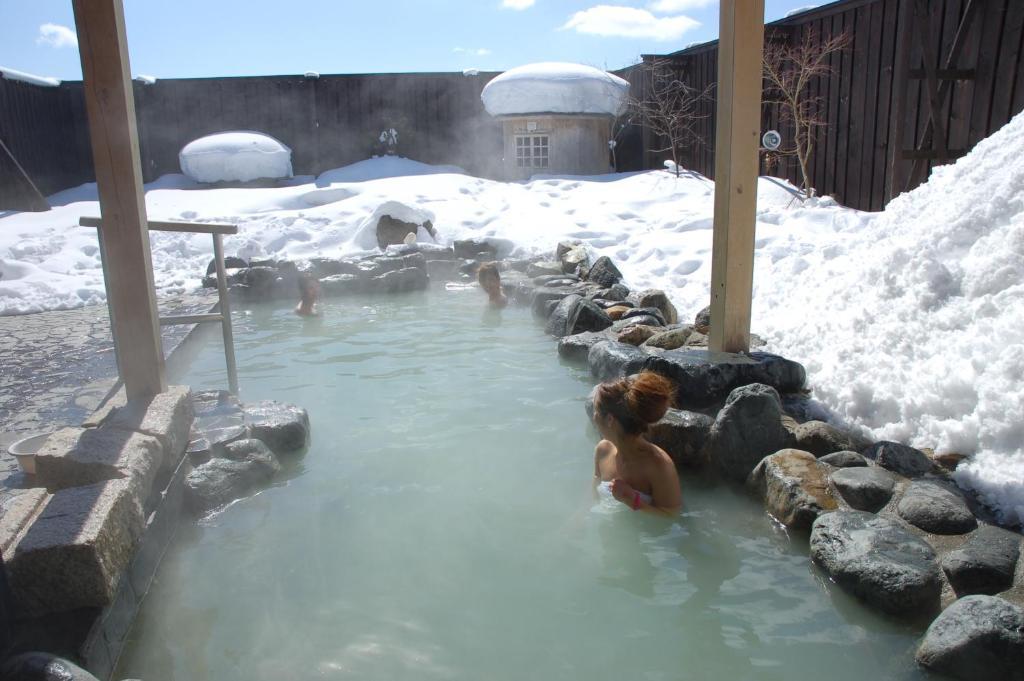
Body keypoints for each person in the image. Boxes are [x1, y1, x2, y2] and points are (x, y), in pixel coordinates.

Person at [592, 372, 682, 515]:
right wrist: (578, 519)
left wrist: (631, 499)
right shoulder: (603, 450)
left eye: (596, 410)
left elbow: (672, 516)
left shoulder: (659, 465)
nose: (594, 416)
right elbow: (594, 491)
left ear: (610, 420)